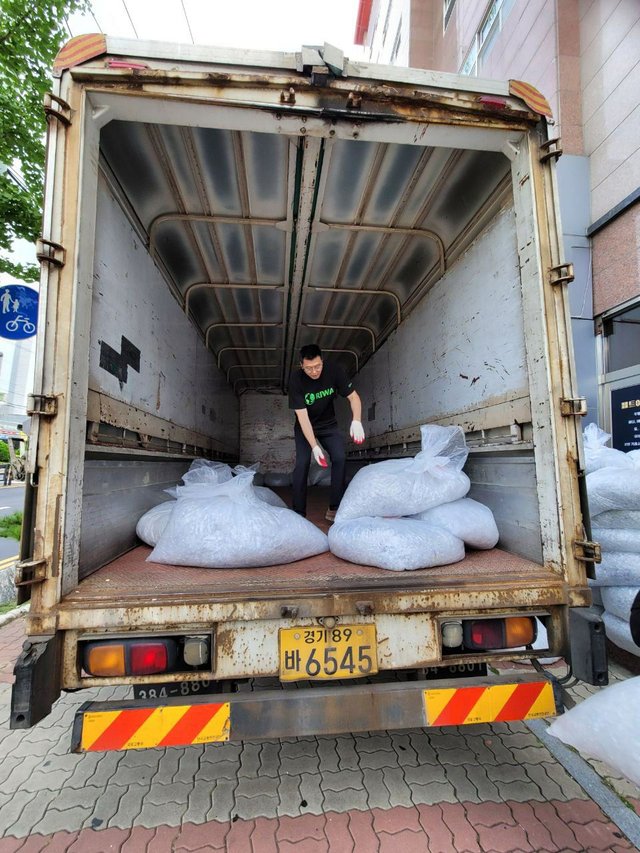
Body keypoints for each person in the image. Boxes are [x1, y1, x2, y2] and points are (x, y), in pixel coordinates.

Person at [288, 344, 365, 521]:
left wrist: (357, 420)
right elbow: (302, 416)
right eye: (309, 368)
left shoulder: (334, 370)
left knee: (339, 458)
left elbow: (353, 397)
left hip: (328, 424)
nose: (314, 371)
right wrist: (314, 446)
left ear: (322, 361)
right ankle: (298, 512)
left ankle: (335, 507)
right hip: (305, 426)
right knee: (302, 463)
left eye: (317, 366)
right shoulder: (296, 379)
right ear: (301, 365)